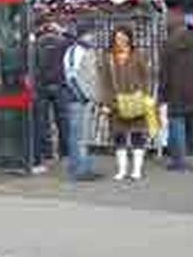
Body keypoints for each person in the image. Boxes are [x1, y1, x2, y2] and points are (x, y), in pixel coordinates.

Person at [160, 11, 193, 172]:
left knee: (178, 123)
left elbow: (164, 72)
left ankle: (179, 160)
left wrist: (162, 94)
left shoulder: (168, 44)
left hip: (176, 89)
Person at [101, 26, 150, 181]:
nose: (120, 40)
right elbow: (105, 82)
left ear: (129, 38)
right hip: (116, 101)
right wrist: (106, 103)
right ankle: (122, 170)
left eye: (123, 37)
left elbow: (147, 78)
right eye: (117, 37)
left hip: (136, 100)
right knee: (119, 136)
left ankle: (136, 170)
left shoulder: (139, 55)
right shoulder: (108, 57)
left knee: (137, 134)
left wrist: (144, 95)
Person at [63, 30, 101, 182]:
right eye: (90, 34)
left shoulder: (83, 50)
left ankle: (80, 166)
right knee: (79, 136)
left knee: (80, 135)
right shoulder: (76, 51)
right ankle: (80, 169)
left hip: (81, 98)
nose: (93, 37)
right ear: (82, 35)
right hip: (79, 99)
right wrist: (84, 97)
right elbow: (72, 77)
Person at [32, 23, 71, 173]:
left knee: (41, 123)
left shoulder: (36, 44)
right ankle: (65, 153)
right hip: (60, 85)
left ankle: (43, 155)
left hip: (41, 86)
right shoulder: (62, 43)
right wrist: (64, 31)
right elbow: (80, 43)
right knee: (63, 122)